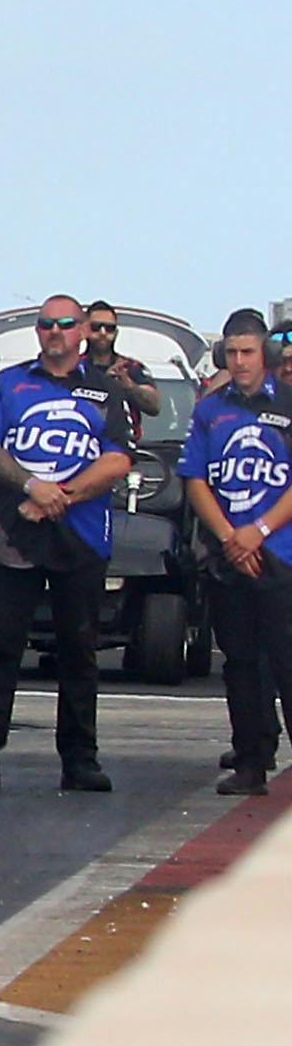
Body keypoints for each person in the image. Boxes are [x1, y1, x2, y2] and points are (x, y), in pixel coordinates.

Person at [0, 295, 128, 791]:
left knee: (78, 652)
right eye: (45, 324)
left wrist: (61, 497)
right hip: (13, 534)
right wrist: (33, 487)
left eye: (65, 324)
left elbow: (118, 460)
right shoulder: (9, 382)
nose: (55, 331)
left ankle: (80, 760)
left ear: (83, 331)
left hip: (80, 536)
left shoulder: (105, 390)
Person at [178, 314, 291, 799]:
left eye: (248, 352)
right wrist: (230, 537)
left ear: (265, 353)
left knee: (287, 661)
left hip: (281, 553)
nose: (240, 361)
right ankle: (250, 762)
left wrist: (258, 532)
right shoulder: (210, 410)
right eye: (232, 353)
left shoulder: (288, 403)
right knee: (240, 664)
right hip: (228, 556)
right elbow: (195, 479)